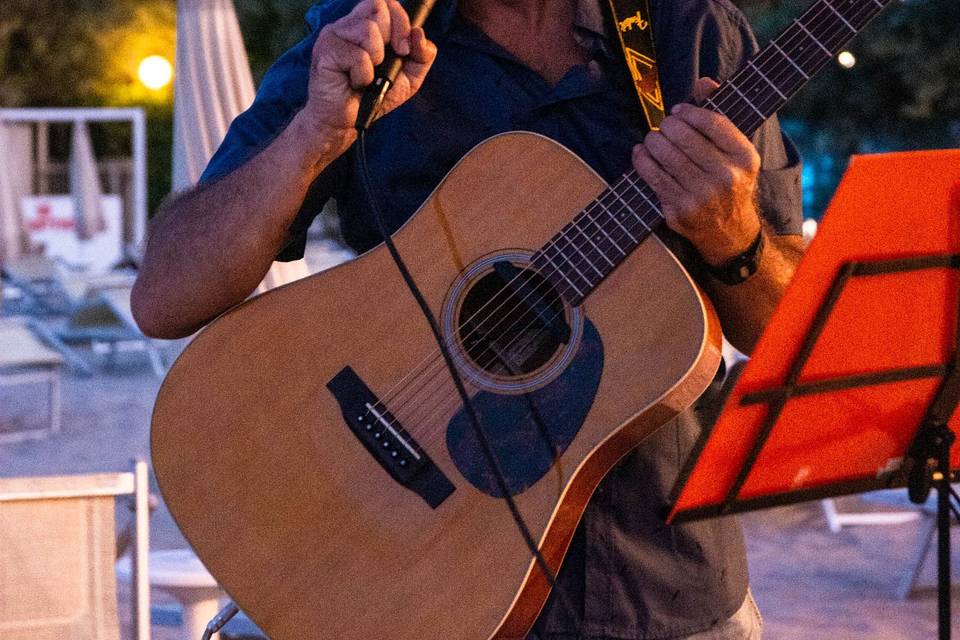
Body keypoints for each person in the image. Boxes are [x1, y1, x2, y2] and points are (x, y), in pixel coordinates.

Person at [132, 0, 804, 637]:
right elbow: (165, 295)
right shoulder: (370, 36)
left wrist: (734, 234)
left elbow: (794, 335)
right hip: (417, 588)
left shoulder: (691, 35)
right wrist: (313, 134)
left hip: (660, 589)